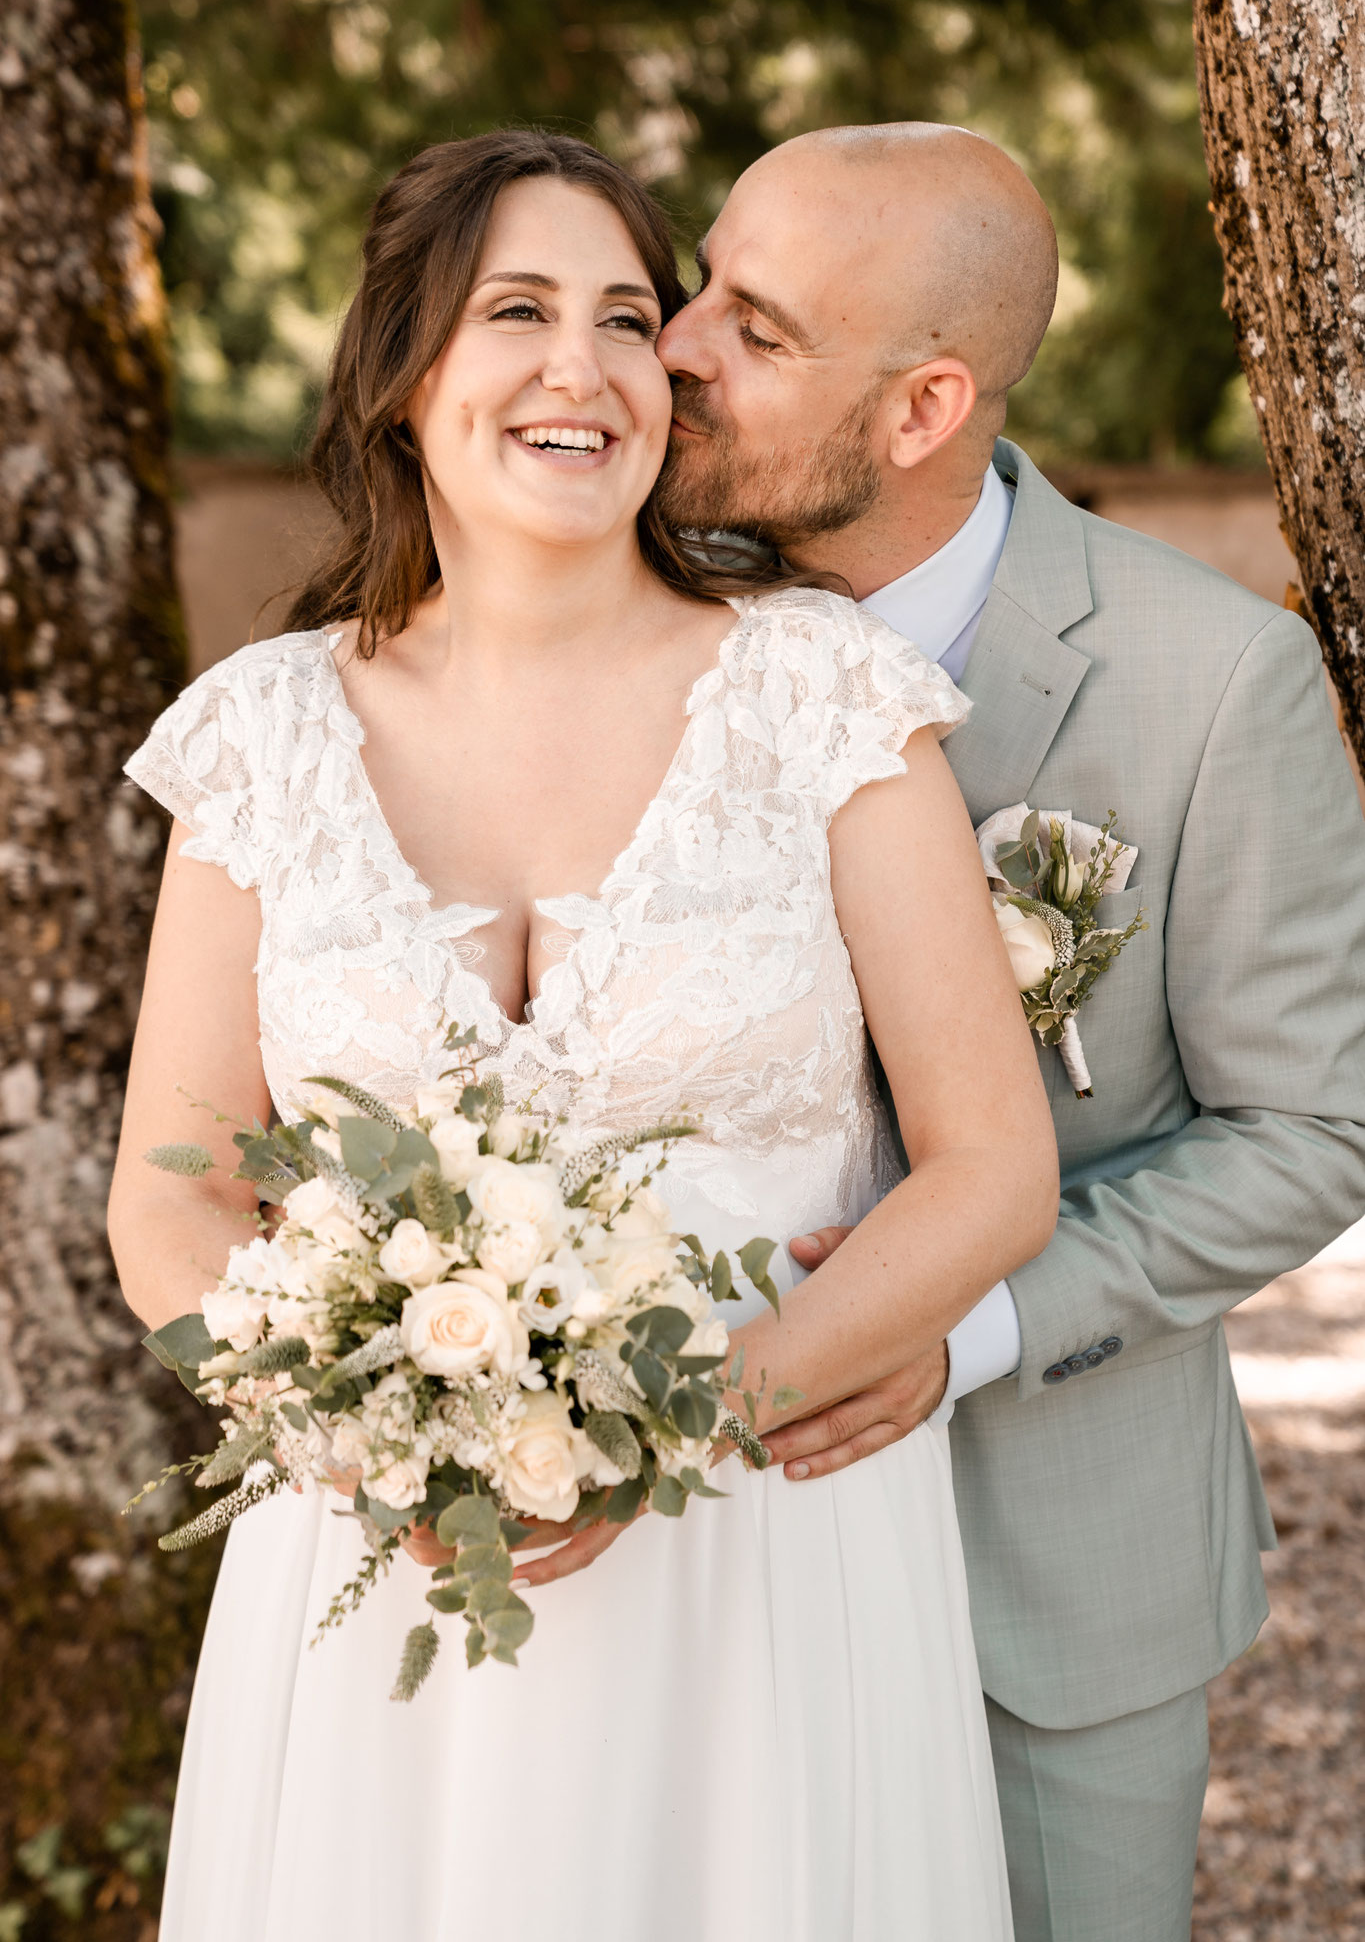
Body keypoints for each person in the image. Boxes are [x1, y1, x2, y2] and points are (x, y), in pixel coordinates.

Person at [108, 129, 1060, 1941]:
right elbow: (175, 1191)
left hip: (766, 1553)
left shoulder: (822, 695)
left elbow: (992, 1171)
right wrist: (344, 1424)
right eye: (516, 310)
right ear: (404, 377)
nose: (584, 365)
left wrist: (669, 1427)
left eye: (629, 316)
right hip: (382, 1552)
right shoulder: (258, 736)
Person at [527, 122, 1365, 1942]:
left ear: (921, 411)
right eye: (699, 288)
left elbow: (1313, 1134)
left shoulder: (1212, 684)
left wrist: (969, 1326)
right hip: (668, 1554)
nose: (668, 350)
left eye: (752, 329)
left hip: (1043, 1561)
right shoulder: (612, 624)